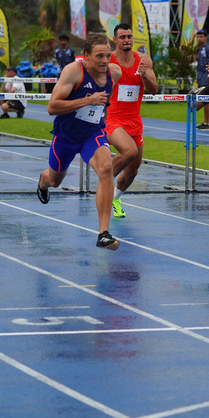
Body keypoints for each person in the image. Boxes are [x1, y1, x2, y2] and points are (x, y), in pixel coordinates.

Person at [36, 34, 123, 250]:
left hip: (92, 133)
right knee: (54, 180)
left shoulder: (114, 72)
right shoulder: (73, 71)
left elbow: (105, 101)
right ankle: (42, 182)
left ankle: (103, 234)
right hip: (66, 136)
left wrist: (100, 111)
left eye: (108, 55)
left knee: (106, 168)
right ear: (86, 56)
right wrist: (87, 100)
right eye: (99, 56)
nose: (105, 60)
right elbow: (52, 107)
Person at [105, 23, 158, 219]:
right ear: (115, 40)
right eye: (122, 37)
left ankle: (115, 199)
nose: (127, 40)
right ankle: (103, 182)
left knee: (133, 170)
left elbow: (154, 90)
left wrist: (144, 75)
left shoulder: (143, 60)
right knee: (129, 151)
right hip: (112, 118)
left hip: (134, 120)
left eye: (129, 36)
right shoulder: (108, 61)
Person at [194, 30, 209, 131]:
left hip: (207, 77)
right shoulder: (199, 49)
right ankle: (206, 122)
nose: (199, 39)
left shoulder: (208, 49)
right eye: (198, 37)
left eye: (201, 37)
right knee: (204, 99)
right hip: (200, 76)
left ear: (206, 37)